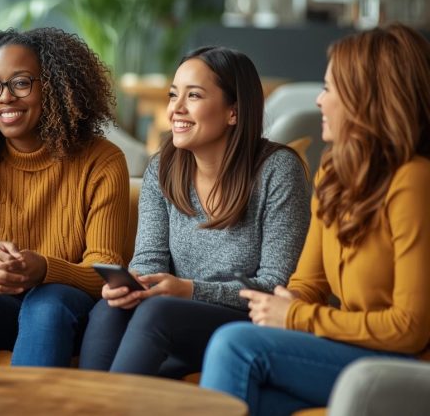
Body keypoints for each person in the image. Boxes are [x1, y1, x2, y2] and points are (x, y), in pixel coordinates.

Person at [200, 24, 430, 416]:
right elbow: (310, 282)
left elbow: (410, 328)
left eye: (328, 88)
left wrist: (297, 317)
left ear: (366, 98)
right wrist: (284, 305)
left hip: (404, 364)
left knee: (234, 344)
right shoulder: (333, 174)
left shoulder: (414, 181)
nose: (319, 101)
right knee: (254, 394)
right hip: (350, 350)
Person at [79, 46, 311, 378]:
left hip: (245, 322)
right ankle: (89, 401)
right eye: (174, 95)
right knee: (108, 309)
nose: (175, 109)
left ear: (233, 112)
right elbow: (149, 259)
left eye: (194, 96)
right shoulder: (163, 168)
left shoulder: (278, 170)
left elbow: (276, 287)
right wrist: (134, 285)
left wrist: (190, 290)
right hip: (171, 315)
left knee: (158, 312)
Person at [0, 28, 129, 367]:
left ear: (55, 87)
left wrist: (44, 269)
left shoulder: (102, 161)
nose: (5, 97)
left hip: (63, 312)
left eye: (21, 83)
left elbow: (103, 269)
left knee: (46, 301)